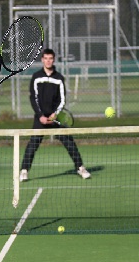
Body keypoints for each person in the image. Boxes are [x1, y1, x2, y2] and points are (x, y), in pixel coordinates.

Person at [20, 48, 91, 181]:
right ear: (42, 60)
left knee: (69, 143)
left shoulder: (59, 78)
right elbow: (33, 98)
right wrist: (40, 115)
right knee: (33, 144)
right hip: (40, 118)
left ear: (53, 60)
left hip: (55, 118)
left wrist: (55, 115)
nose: (48, 61)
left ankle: (80, 168)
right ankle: (24, 171)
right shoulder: (36, 77)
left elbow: (62, 99)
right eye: (46, 58)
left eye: (50, 58)